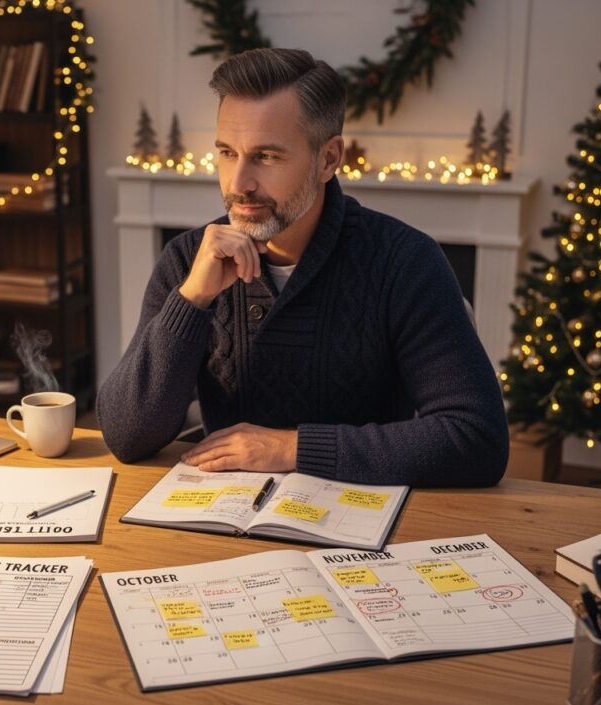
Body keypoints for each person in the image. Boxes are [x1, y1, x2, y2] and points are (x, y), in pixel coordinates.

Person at [97, 48, 509, 487]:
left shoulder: (404, 262)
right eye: (226, 153)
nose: (238, 183)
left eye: (267, 157)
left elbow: (477, 438)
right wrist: (191, 300)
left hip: (362, 530)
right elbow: (126, 436)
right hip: (221, 521)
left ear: (329, 158)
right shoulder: (187, 259)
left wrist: (290, 449)